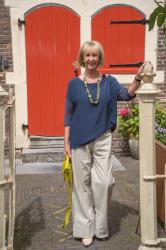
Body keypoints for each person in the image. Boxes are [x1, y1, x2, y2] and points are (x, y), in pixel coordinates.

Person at [64, 40, 146, 247]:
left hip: (102, 138)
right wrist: (66, 142)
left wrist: (138, 77)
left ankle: (100, 228)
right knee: (82, 186)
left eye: (95, 55)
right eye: (88, 55)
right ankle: (85, 228)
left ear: (100, 58)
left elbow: (127, 95)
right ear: (82, 58)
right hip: (79, 140)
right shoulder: (73, 84)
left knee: (104, 182)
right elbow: (68, 115)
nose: (91, 59)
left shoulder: (109, 82)